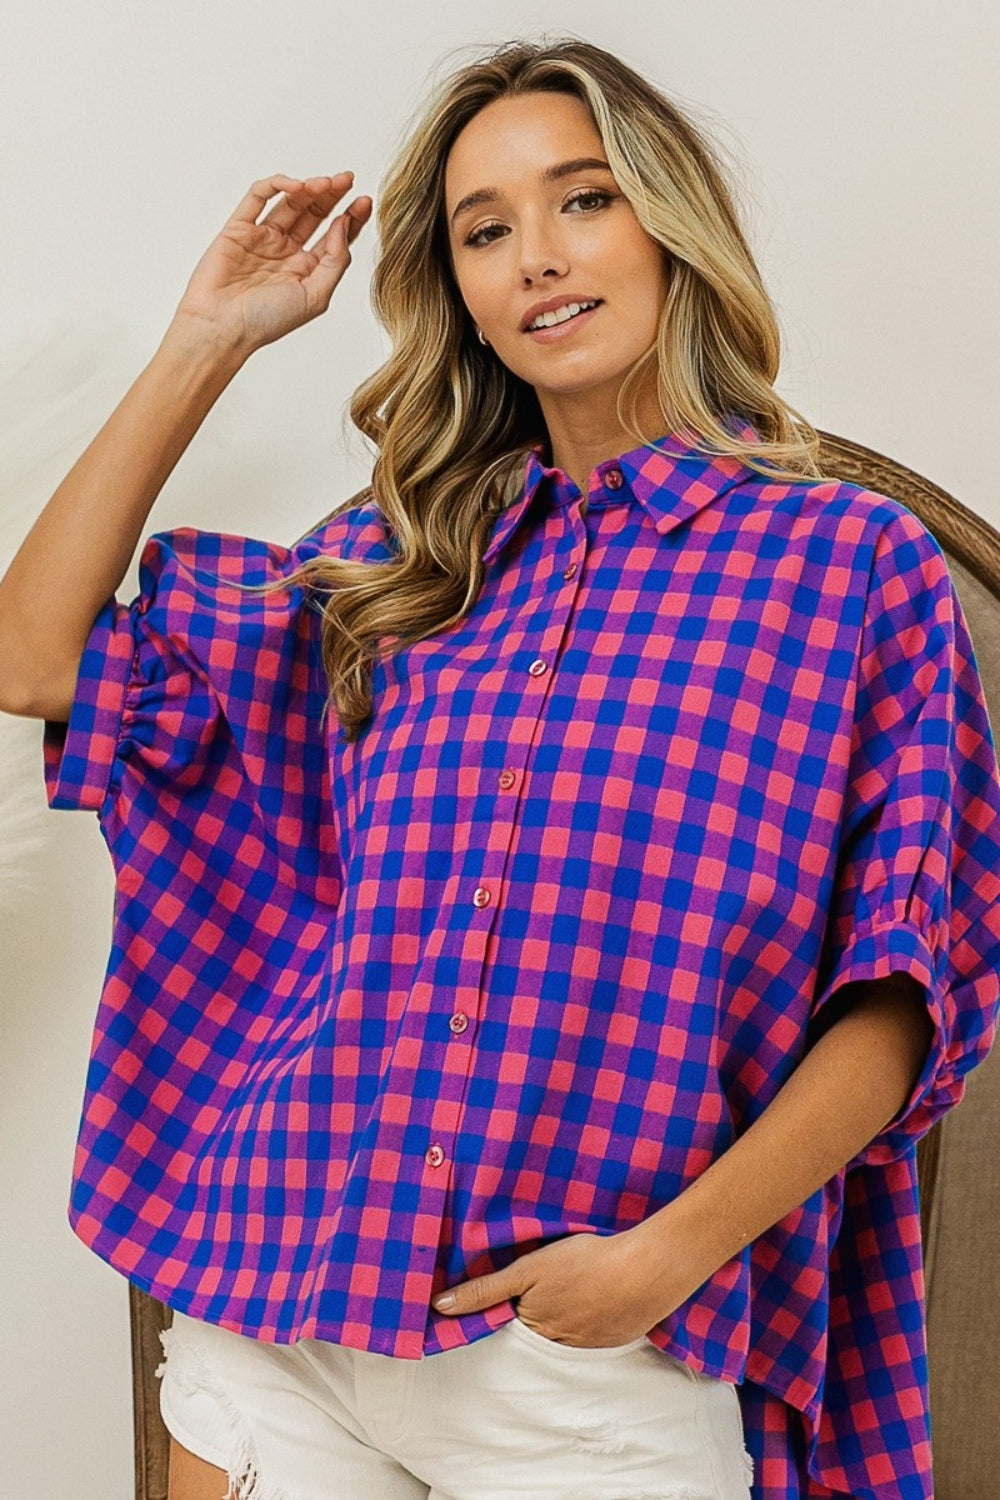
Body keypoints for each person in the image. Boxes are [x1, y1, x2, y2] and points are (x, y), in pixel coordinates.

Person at [2, 33, 999, 1500]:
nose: (536, 255)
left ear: (669, 223)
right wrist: (210, 334)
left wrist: (661, 1261)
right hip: (286, 1311)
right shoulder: (396, 564)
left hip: (592, 1352)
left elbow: (905, 992)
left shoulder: (845, 567)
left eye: (584, 199)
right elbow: (33, 660)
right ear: (456, 287)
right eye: (485, 229)